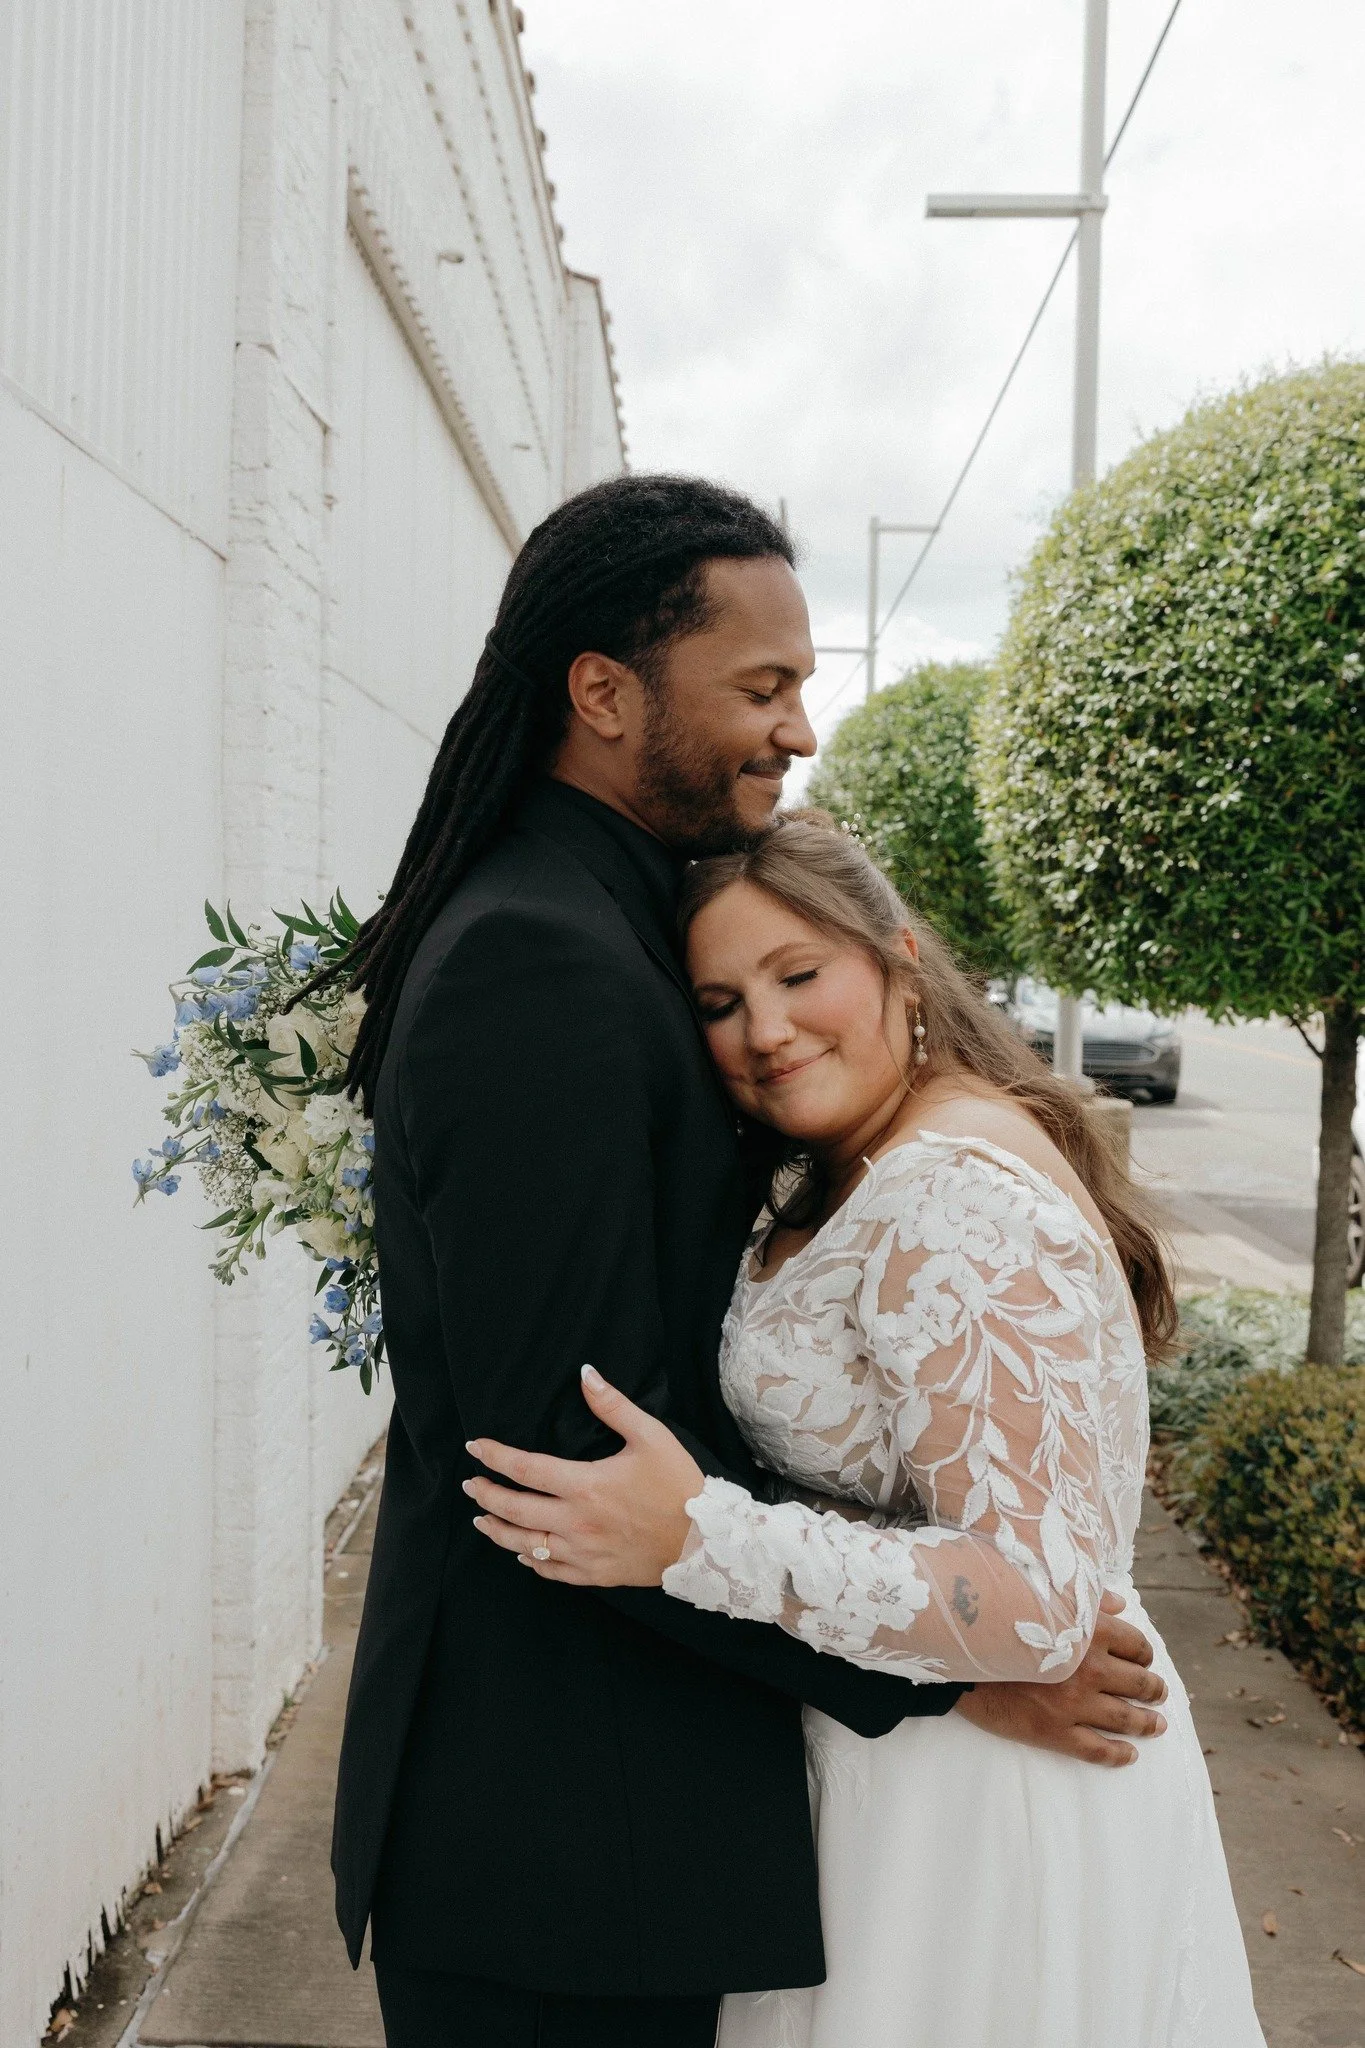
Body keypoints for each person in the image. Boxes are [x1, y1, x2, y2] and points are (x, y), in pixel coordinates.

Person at [328, 475, 1169, 2048]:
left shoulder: (625, 922)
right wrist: (949, 1673)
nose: (795, 732)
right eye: (762, 687)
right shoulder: (541, 961)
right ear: (602, 692)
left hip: (630, 1824)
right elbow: (566, 1453)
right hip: (565, 1839)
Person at [465, 811, 1267, 2048]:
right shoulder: (860, 1160)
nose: (765, 1029)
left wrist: (694, 1535)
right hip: (903, 1760)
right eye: (721, 1001)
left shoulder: (948, 1192)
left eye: (799, 975)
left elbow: (1034, 1600)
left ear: (897, 957)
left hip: (989, 1810)